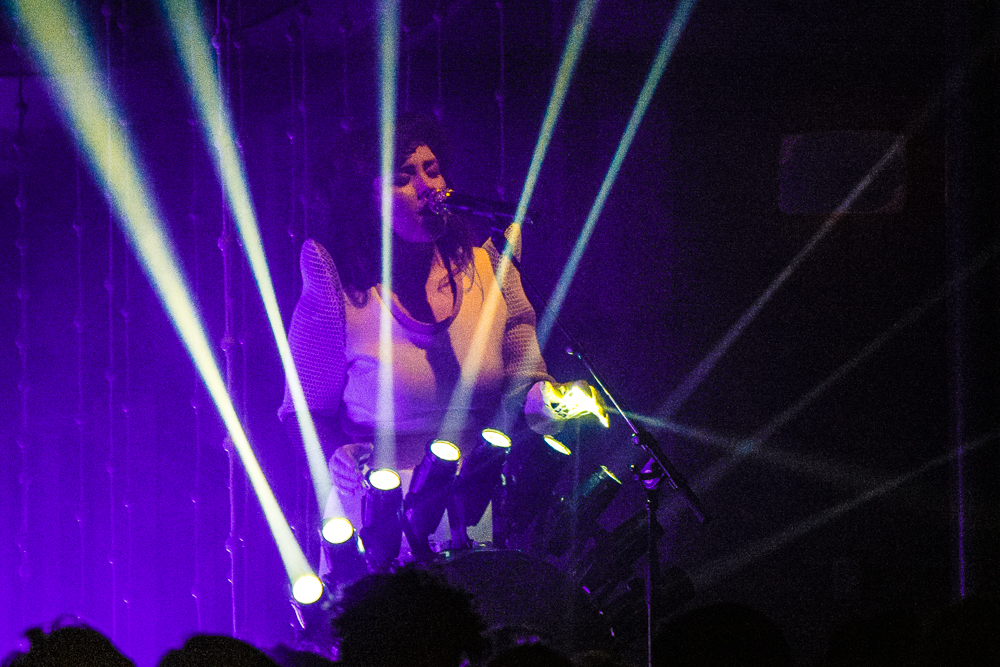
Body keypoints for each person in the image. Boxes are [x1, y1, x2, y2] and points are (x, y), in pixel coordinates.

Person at [279, 115, 606, 565]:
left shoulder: (490, 265)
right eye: (402, 178)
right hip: (380, 518)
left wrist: (545, 399)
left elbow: (522, 375)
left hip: (479, 507)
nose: (428, 186)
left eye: (432, 170)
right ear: (364, 201)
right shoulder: (338, 287)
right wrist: (336, 452)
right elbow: (303, 411)